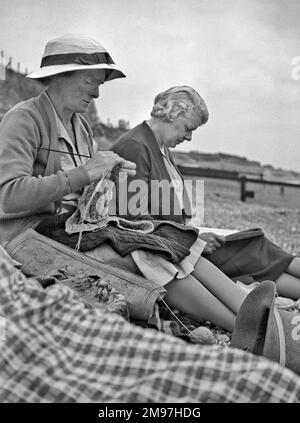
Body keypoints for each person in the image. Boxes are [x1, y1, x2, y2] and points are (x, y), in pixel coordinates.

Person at [111, 85, 300, 311]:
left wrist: (194, 235)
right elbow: (132, 219)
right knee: (251, 251)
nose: (189, 137)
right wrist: (192, 238)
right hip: (169, 247)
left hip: (177, 239)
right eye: (188, 128)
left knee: (253, 245)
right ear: (173, 113)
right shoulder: (135, 147)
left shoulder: (156, 145)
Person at [0, 34, 141, 274]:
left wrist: (105, 180)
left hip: (72, 231)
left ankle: (229, 310)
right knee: (143, 258)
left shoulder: (82, 127)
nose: (96, 93)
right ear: (58, 76)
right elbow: (9, 196)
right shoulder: (23, 118)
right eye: (90, 81)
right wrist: (85, 173)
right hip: (28, 237)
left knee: (164, 246)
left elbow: (81, 197)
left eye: (100, 84)